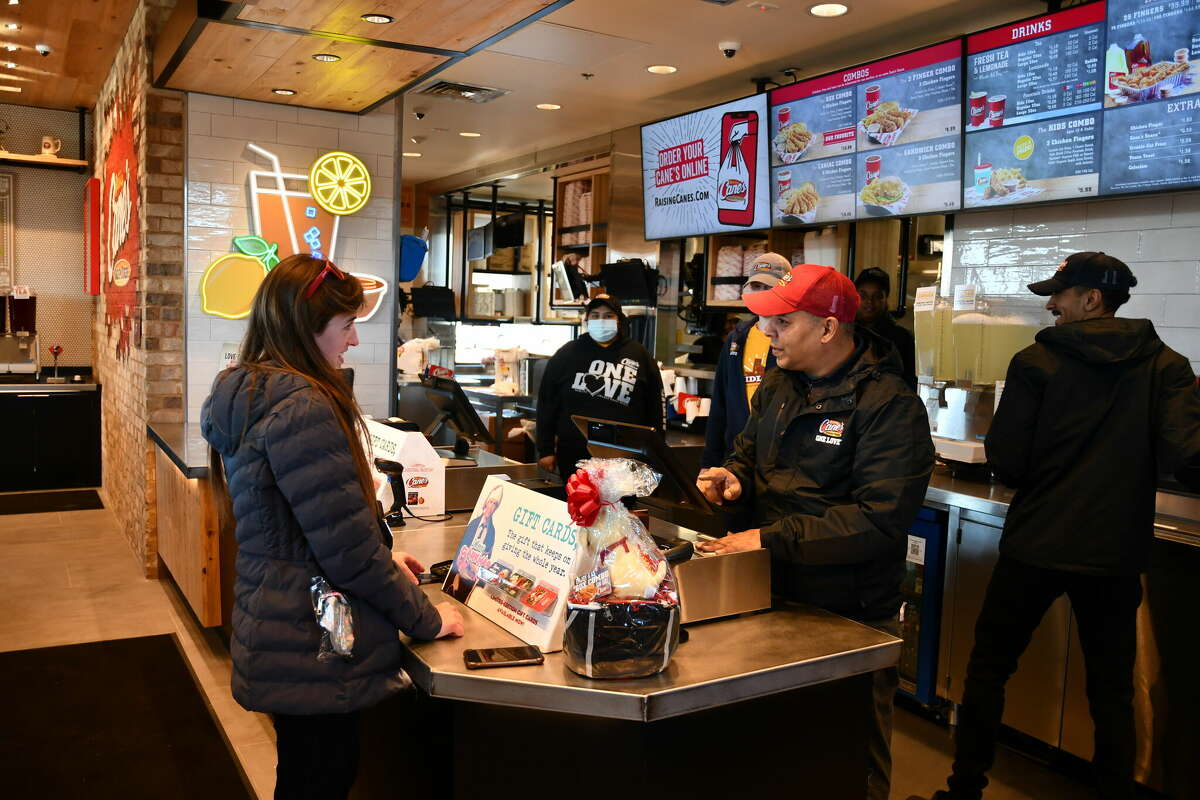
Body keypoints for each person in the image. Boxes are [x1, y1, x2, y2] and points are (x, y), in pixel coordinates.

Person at [909, 252, 1200, 800]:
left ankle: (965, 789)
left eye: (1060, 294)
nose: (1051, 304)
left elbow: (1010, 462)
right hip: (1114, 553)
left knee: (990, 670)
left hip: (1036, 544)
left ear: (1092, 299)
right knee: (1111, 692)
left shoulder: (1036, 362)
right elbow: (1186, 454)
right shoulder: (1169, 366)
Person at [201, 254, 465, 800]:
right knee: (319, 777)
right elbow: (345, 553)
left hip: (275, 617)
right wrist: (425, 619)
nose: (350, 341)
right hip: (314, 638)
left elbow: (297, 526)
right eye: (345, 326)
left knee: (304, 772)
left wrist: (384, 555)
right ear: (307, 327)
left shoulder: (249, 389)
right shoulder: (302, 406)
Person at [694, 264, 935, 800]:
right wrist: (734, 478)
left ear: (828, 328)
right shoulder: (780, 384)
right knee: (780, 754)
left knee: (848, 759)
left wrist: (766, 538)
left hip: (848, 614)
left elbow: (878, 519)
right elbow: (749, 457)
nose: (768, 332)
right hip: (771, 595)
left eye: (783, 321)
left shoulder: (890, 406)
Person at [536, 294, 665, 484]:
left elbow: (655, 406)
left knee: (621, 511)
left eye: (608, 315)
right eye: (595, 315)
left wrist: (657, 452)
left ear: (619, 321)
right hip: (575, 454)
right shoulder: (567, 353)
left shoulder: (639, 354)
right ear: (587, 320)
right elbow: (547, 403)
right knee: (578, 508)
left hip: (624, 457)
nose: (601, 320)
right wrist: (545, 450)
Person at [701, 252, 788, 468]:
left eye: (769, 287)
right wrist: (709, 461)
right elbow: (719, 405)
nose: (760, 294)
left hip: (778, 461)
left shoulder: (793, 339)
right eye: (756, 287)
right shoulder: (736, 339)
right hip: (735, 460)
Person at [855, 267, 916, 389]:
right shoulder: (843, 333)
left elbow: (910, 383)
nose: (870, 301)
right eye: (863, 295)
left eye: (877, 296)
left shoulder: (902, 338)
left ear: (886, 300)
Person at [445, 483, 504, 602]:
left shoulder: (492, 532)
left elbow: (487, 555)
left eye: (495, 504)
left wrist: (477, 570)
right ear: (485, 503)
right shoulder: (473, 524)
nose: (491, 507)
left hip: (473, 574)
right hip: (459, 568)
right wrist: (458, 568)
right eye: (490, 502)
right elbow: (462, 546)